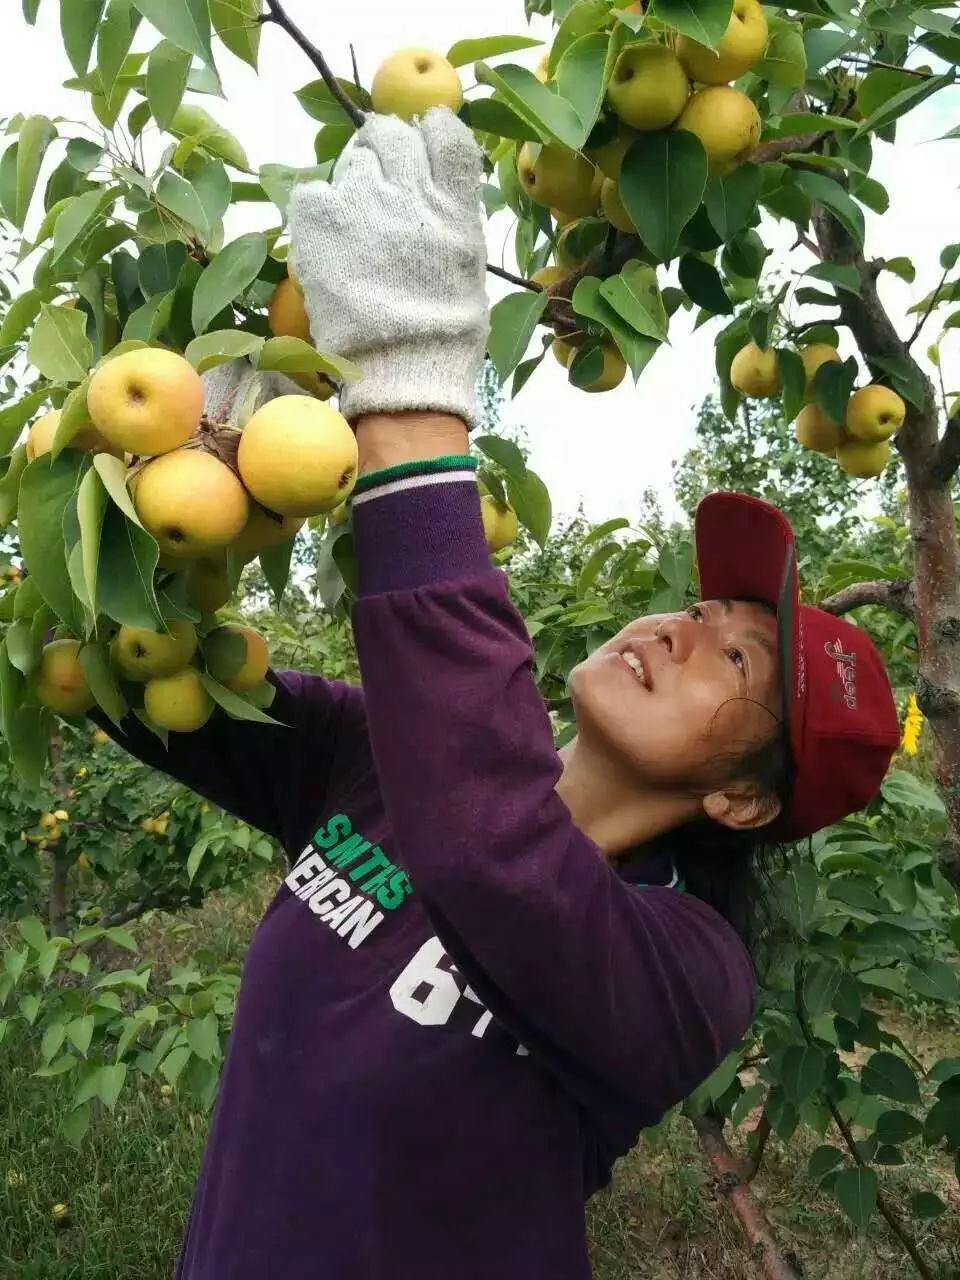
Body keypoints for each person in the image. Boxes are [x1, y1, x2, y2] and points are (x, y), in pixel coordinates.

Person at [102, 110, 900, 1280]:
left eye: (737, 660)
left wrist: (412, 386)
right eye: (697, 608)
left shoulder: (686, 975)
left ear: (740, 799)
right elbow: (151, 679)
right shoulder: (372, 763)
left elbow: (494, 843)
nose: (677, 630)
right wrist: (197, 461)